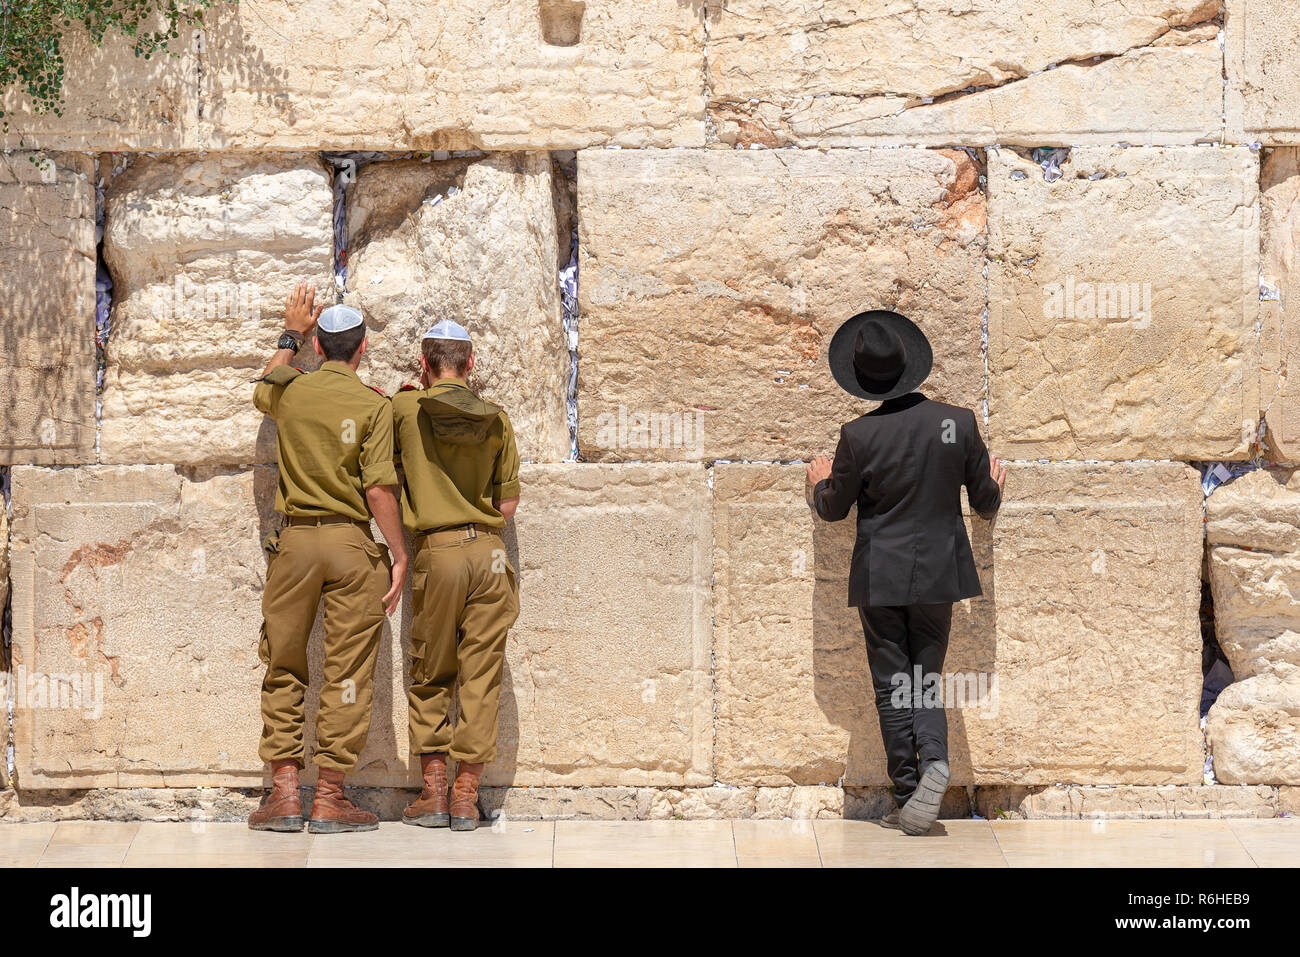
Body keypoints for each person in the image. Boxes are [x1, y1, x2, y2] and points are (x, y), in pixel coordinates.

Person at [806, 310, 1005, 836]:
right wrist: (997, 485)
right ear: (912, 366)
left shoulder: (858, 436)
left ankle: (907, 792)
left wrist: (818, 483)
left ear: (866, 380)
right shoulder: (957, 423)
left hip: (881, 577)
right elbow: (985, 503)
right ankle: (935, 757)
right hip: (939, 574)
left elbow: (833, 510)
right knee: (926, 678)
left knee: (893, 683)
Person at [247, 283, 408, 835]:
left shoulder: (290, 391)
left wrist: (291, 333)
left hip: (294, 547)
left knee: (284, 661)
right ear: (362, 350)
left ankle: (286, 793)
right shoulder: (374, 406)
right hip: (350, 545)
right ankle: (332, 798)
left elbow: (265, 385)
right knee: (346, 673)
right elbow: (379, 489)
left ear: (320, 347)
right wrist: (400, 553)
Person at [391, 319, 521, 832]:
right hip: (488, 554)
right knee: (480, 676)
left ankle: (433, 793)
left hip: (437, 554)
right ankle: (467, 796)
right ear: (472, 364)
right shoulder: (497, 418)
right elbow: (507, 504)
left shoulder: (404, 407)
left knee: (431, 672)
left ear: (423, 365)